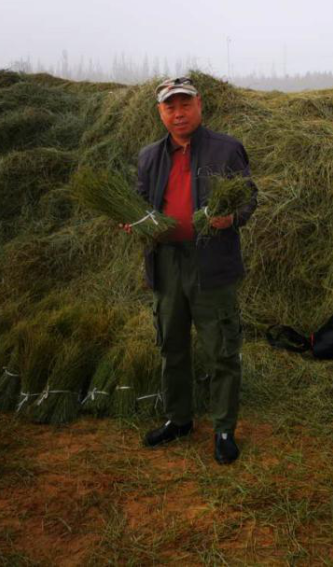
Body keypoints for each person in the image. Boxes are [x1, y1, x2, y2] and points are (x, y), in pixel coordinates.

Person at [127, 76, 257, 465]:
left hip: (210, 263)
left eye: (185, 104)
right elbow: (139, 199)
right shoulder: (150, 155)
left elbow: (250, 198)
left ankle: (223, 429)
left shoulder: (226, 149)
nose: (178, 113)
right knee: (172, 346)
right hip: (166, 263)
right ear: (160, 112)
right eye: (170, 106)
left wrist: (230, 218)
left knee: (221, 350)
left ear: (200, 105)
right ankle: (178, 419)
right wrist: (132, 220)